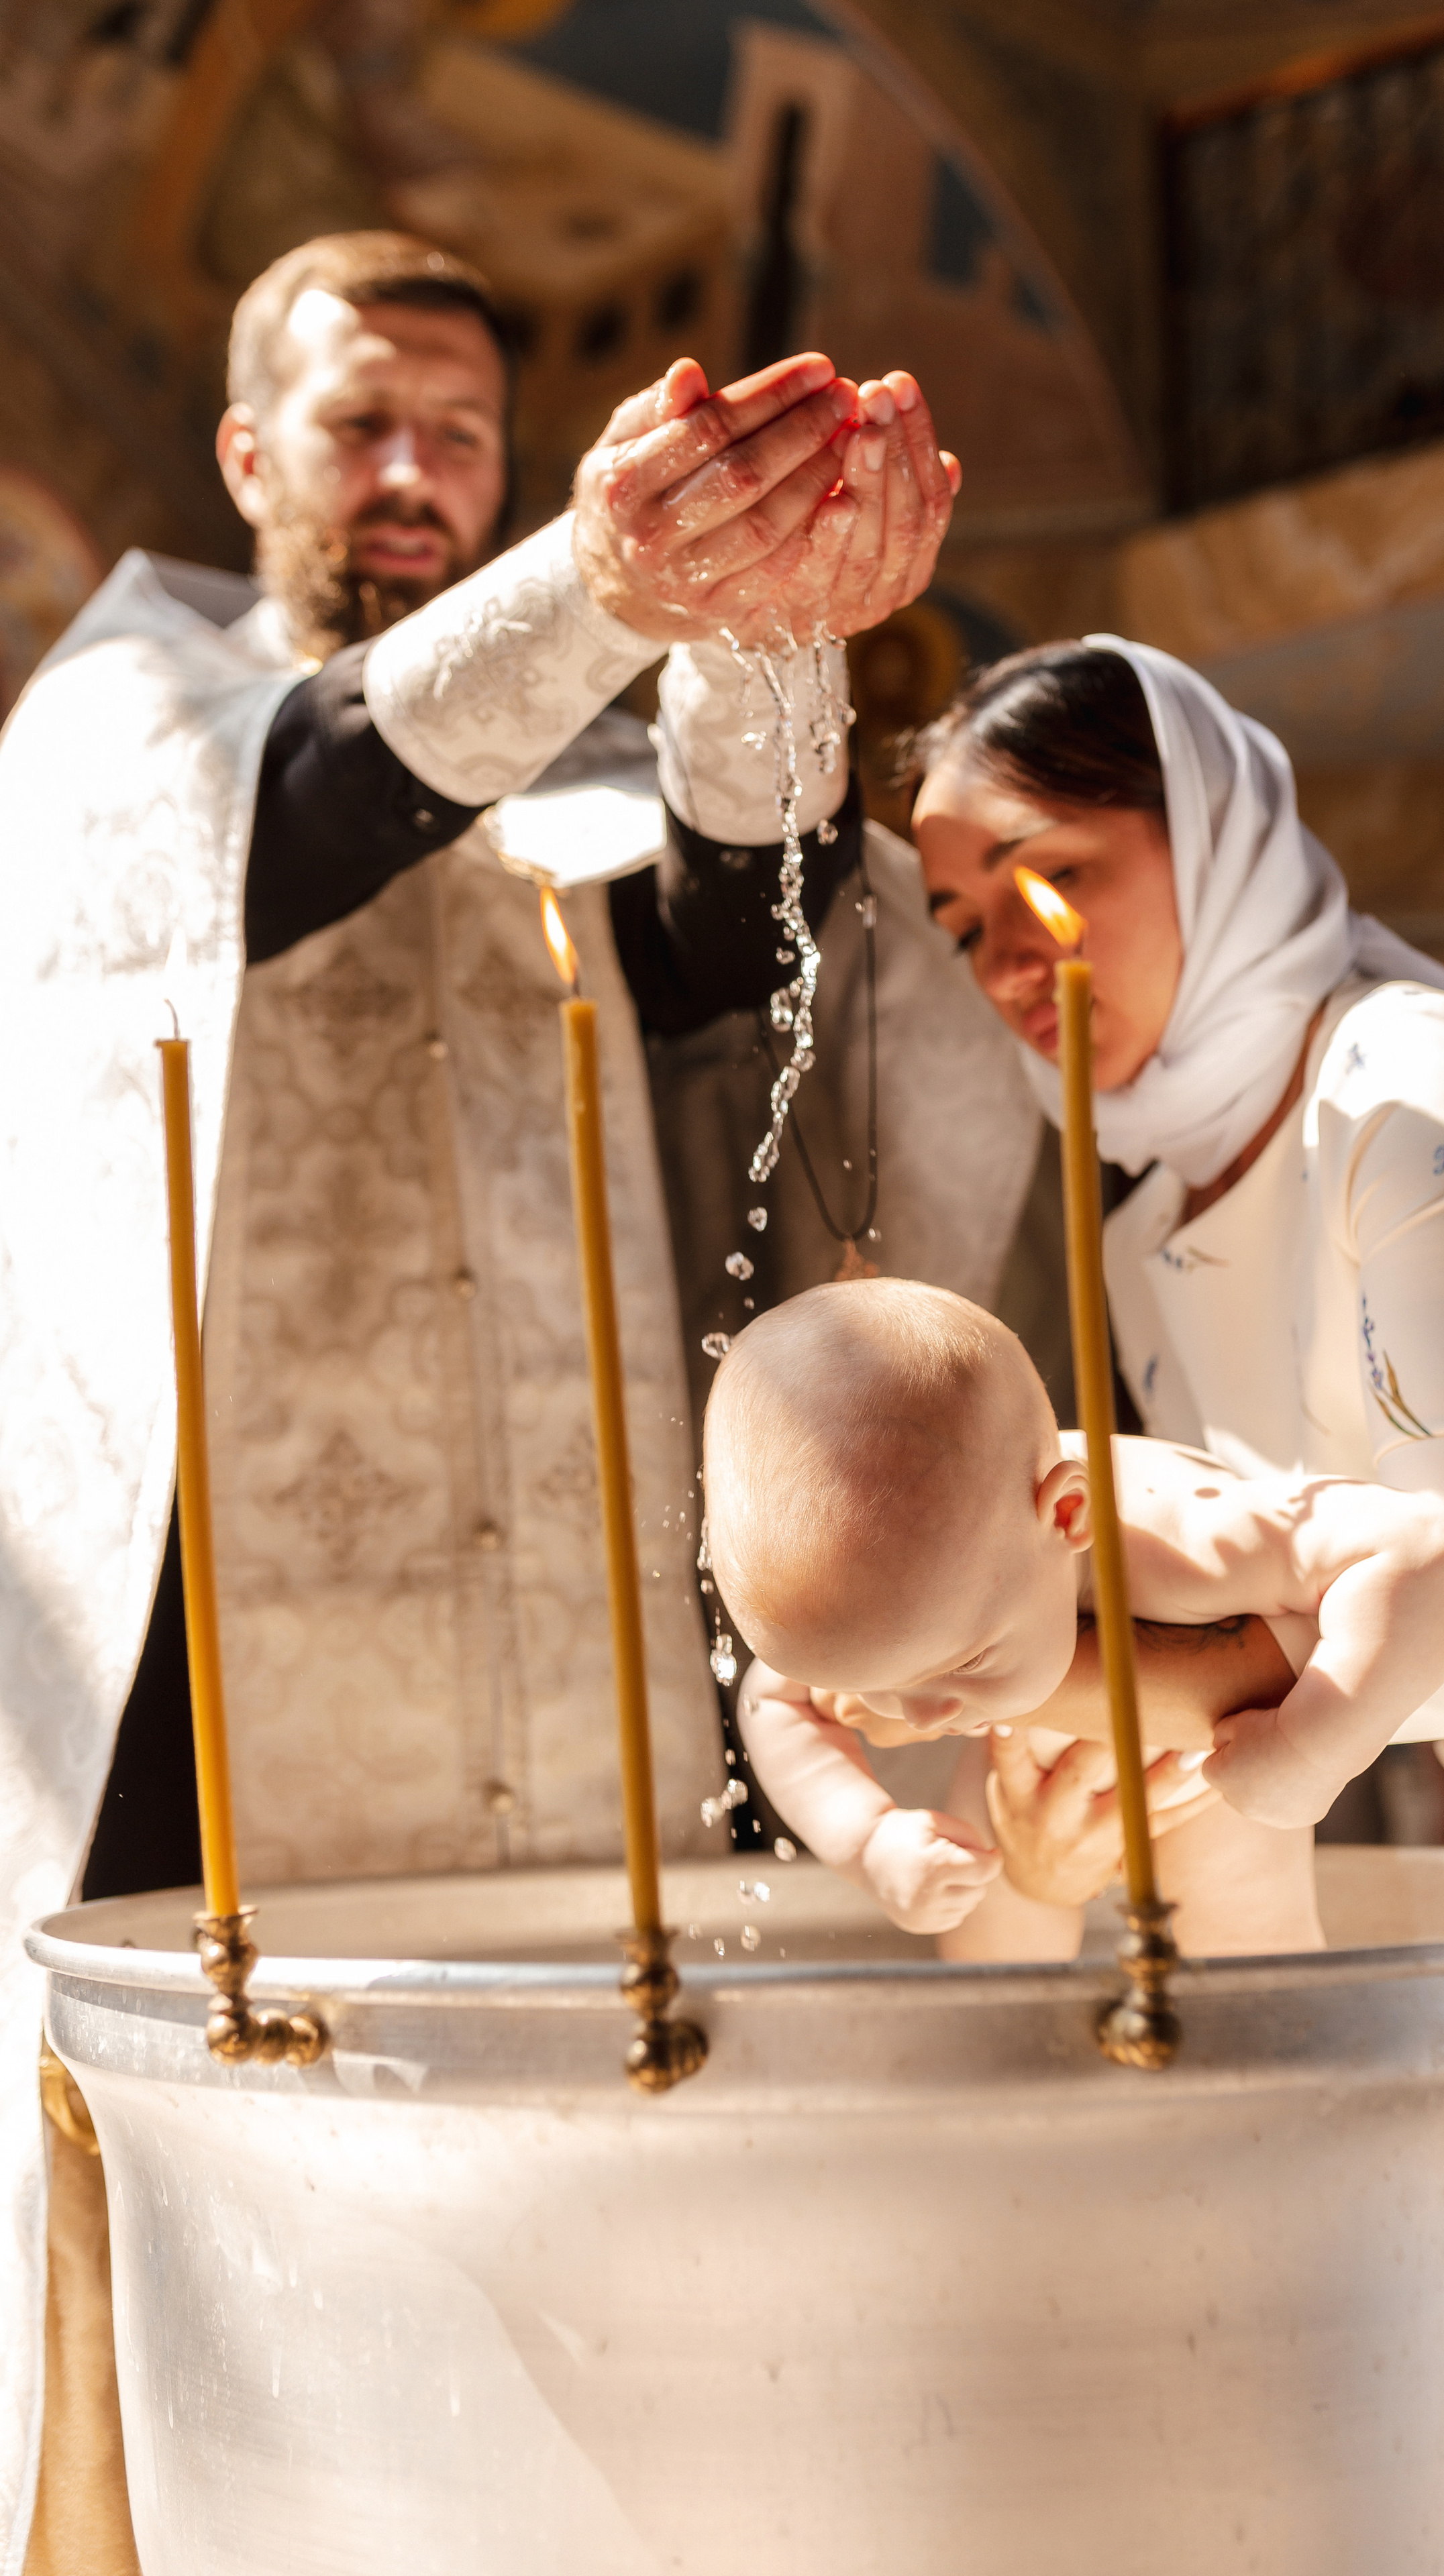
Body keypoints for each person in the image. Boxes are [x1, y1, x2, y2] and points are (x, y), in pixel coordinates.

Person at [0, 226, 984, 2567]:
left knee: (563, 2336)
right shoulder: (121, 715)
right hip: (209, 1722)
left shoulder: (559, 719)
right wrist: (606, 579)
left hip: (571, 1674)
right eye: (364, 426)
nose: (420, 474)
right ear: (249, 454)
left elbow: (730, 948)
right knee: (176, 2332)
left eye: (464, 434)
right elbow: (314, 808)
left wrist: (768, 620)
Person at [904, 635, 1444, 1898]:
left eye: (1054, 876)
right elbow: (1270, 1610)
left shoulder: (1423, 1100)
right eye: (964, 929)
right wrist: (1063, 1798)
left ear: (1213, 836)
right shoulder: (1146, 1235)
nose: (1010, 964)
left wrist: (1004, 1671)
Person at [706, 1277, 1444, 1953]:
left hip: (1201, 1779)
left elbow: (1426, 1552)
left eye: (966, 1661)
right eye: (872, 1685)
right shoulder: (879, 1589)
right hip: (1016, 1771)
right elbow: (772, 1698)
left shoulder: (1186, 1537)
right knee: (988, 1953)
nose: (919, 1715)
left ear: (1069, 1513)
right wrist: (868, 1841)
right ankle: (1019, 2082)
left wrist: (1314, 1747)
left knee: (1253, 1955)